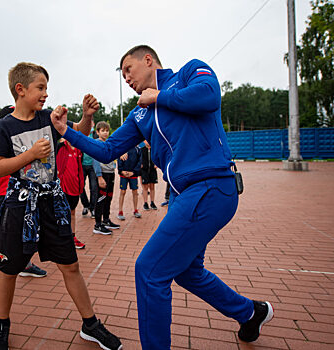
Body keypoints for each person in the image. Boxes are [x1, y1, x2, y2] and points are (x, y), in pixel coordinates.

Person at [51, 45, 273, 350]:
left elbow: (209, 96)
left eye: (129, 69)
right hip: (184, 196)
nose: (126, 77)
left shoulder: (188, 73)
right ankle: (250, 312)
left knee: (149, 270)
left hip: (212, 187)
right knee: (186, 272)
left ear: (148, 60)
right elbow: (108, 150)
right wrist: (67, 131)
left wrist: (160, 96)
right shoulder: (140, 113)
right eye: (122, 73)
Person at [0, 62, 122, 350]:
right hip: (20, 207)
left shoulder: (48, 118)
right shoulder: (4, 126)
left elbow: (79, 132)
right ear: (20, 90)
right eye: (40, 87)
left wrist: (86, 117)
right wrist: (31, 154)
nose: (46, 94)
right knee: (8, 270)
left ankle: (91, 324)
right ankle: (2, 324)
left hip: (53, 204)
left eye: (47, 87)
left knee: (70, 265)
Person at [0, 105, 47, 302]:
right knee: (2, 242)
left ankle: (26, 264)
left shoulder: (25, 140)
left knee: (28, 233)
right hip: (7, 194)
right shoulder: (3, 140)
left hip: (27, 194)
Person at [56, 138, 86, 249]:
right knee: (60, 213)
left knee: (72, 212)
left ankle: (72, 237)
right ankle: (61, 238)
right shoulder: (61, 146)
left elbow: (79, 167)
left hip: (75, 186)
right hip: (63, 186)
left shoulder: (79, 149)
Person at [92, 121, 120, 235]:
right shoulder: (97, 143)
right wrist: (99, 176)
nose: (105, 133)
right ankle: (97, 225)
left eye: (107, 130)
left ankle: (106, 220)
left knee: (108, 197)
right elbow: (95, 161)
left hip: (110, 172)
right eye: (102, 131)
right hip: (102, 174)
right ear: (98, 132)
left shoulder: (108, 143)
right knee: (101, 198)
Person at [79, 121, 99, 218]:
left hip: (93, 165)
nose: (89, 126)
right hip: (82, 165)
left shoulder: (96, 136)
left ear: (93, 124)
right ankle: (85, 205)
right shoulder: (81, 134)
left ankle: (92, 208)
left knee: (94, 188)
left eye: (90, 124)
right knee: (80, 186)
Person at [117, 146, 142, 220]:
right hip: (123, 174)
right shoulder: (123, 148)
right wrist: (121, 171)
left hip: (133, 174)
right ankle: (120, 211)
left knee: (135, 192)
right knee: (123, 191)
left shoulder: (138, 149)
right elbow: (119, 159)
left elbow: (139, 162)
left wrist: (134, 172)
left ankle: (135, 210)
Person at [139, 140, 158, 210]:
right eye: (146, 140)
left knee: (152, 186)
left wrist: (157, 164)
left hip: (152, 170)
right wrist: (140, 165)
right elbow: (138, 158)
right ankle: (145, 203)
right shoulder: (141, 149)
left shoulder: (154, 150)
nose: (148, 142)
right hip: (144, 170)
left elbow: (158, 158)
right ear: (144, 141)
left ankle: (152, 202)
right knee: (145, 187)